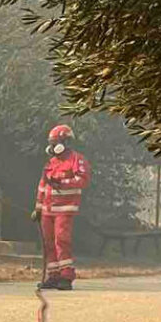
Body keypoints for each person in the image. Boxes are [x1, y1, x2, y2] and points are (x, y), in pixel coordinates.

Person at [32, 124, 90, 290]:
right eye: (51, 143)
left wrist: (63, 182)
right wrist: (38, 208)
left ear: (65, 142)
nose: (52, 147)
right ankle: (53, 276)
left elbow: (83, 180)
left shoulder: (77, 160)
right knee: (48, 243)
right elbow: (42, 186)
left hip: (64, 209)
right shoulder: (51, 162)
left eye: (55, 143)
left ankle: (66, 276)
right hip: (47, 210)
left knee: (61, 241)